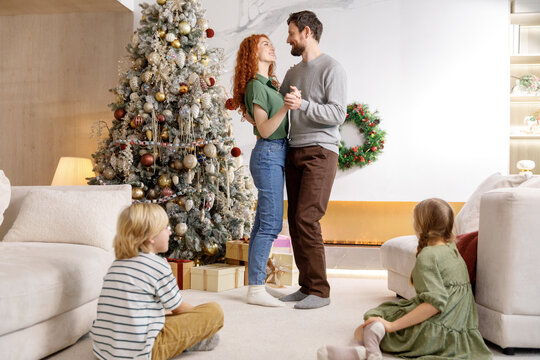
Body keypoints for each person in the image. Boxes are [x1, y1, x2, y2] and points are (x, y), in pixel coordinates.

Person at [317, 198, 493, 360]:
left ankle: (369, 351)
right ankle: (363, 351)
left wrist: (392, 326)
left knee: (364, 329)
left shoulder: (428, 256)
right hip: (460, 328)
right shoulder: (452, 249)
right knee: (385, 313)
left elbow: (434, 304)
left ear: (420, 225)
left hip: (438, 332)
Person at [277, 10, 347, 309]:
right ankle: (306, 286)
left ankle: (319, 291)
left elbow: (337, 114)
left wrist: (303, 105)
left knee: (307, 217)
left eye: (291, 32)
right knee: (295, 220)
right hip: (294, 149)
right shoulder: (292, 73)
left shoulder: (333, 68)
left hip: (321, 150)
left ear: (306, 32)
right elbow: (277, 106)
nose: (288, 38)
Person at [90, 203, 224, 360]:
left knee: (162, 313)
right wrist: (197, 322)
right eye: (165, 227)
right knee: (214, 311)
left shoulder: (117, 264)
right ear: (150, 237)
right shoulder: (158, 265)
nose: (170, 231)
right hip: (143, 352)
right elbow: (179, 309)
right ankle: (190, 341)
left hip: (103, 351)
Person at [231, 34, 297, 307]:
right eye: (264, 44)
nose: (272, 47)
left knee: (262, 225)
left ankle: (256, 285)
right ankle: (256, 289)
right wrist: (285, 106)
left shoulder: (268, 84)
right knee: (270, 224)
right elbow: (265, 129)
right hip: (269, 153)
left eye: (271, 44)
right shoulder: (256, 86)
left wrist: (282, 96)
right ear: (252, 54)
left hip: (276, 153)